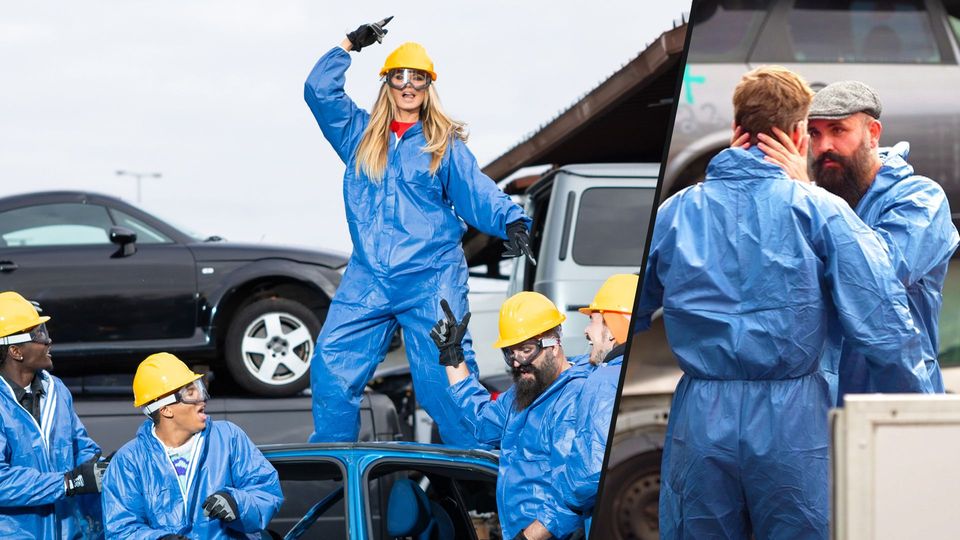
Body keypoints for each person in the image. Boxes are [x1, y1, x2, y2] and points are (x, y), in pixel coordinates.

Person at [638, 66, 933, 539]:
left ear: (736, 130)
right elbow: (883, 324)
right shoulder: (821, 209)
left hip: (700, 413)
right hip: (792, 420)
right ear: (800, 134)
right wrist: (924, 415)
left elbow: (624, 316)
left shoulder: (675, 211)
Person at [303, 17, 533, 446]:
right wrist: (350, 43)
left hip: (431, 277)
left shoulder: (442, 144)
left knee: (444, 383)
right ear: (386, 83)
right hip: (369, 276)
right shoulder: (358, 135)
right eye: (399, 77)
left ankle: (474, 474)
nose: (408, 86)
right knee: (331, 365)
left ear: (429, 87)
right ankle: (335, 464)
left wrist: (512, 219)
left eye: (418, 79)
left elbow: (475, 190)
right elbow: (318, 91)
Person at [747, 80, 959, 398]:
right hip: (815, 406)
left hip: (896, 400)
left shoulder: (920, 199)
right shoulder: (805, 202)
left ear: (872, 134)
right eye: (814, 134)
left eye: (838, 130)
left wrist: (808, 198)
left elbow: (879, 274)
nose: (824, 146)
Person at [431, 292, 586, 539]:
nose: (516, 362)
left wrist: (529, 536)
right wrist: (453, 357)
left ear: (554, 344)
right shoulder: (524, 393)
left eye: (526, 350)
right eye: (510, 353)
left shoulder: (572, 400)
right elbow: (481, 420)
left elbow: (573, 492)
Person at [101, 353, 282, 538]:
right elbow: (121, 530)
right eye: (190, 393)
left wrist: (237, 503)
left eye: (200, 389)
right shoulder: (129, 461)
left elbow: (266, 492)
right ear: (166, 409)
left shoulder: (229, 438)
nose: (201, 399)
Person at [0, 291, 105, 538]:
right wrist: (67, 483)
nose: (48, 341)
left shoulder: (56, 389)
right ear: (16, 350)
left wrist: (99, 467)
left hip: (67, 530)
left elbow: (78, 446)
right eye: (39, 334)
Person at [557, 273, 637, 536]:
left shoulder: (604, 380)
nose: (586, 330)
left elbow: (589, 474)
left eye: (593, 320)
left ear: (612, 329)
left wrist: (561, 489)